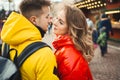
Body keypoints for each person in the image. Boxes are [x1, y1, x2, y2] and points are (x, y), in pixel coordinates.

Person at [1, 0, 59, 80]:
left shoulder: (6, 42)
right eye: (47, 17)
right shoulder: (44, 53)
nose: (50, 20)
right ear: (34, 20)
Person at [52, 3, 93, 80]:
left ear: (71, 30)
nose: (54, 22)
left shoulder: (70, 57)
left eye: (61, 22)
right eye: (57, 18)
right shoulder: (65, 47)